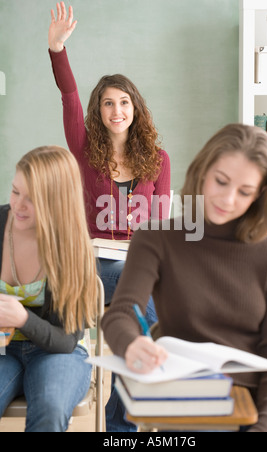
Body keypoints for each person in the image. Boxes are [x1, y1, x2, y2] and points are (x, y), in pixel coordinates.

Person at [102, 123, 267, 432]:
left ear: (260, 194)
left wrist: (263, 425)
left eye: (245, 191)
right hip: (191, 398)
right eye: (221, 181)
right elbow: (121, 313)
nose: (228, 199)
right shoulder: (156, 239)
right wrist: (131, 345)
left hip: (262, 407)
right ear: (203, 170)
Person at [47, 2, 171, 315]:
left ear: (135, 108)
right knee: (140, 283)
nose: (117, 111)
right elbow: (69, 98)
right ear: (99, 112)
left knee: (156, 285)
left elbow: (160, 224)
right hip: (95, 262)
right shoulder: (84, 149)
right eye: (108, 104)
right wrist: (57, 48)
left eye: (124, 102)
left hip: (140, 258)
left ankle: (131, 359)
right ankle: (156, 355)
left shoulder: (159, 160)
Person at [0, 146, 98, 432]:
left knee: (50, 409)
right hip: (4, 350)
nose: (18, 205)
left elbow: (66, 340)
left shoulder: (74, 251)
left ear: (56, 202)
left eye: (32, 199)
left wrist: (22, 319)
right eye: (16, 191)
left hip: (59, 351)